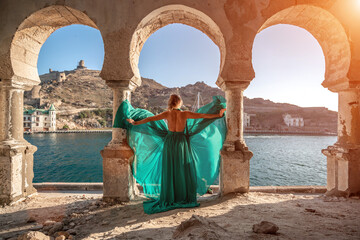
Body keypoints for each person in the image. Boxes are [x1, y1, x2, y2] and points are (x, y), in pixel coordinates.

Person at [113, 94, 227, 214]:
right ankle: (182, 196)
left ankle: (170, 196)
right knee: (182, 169)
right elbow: (203, 116)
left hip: (170, 142)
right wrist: (218, 115)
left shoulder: (167, 114)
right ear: (179, 103)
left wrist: (135, 123)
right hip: (181, 142)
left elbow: (150, 119)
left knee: (170, 168)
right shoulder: (185, 114)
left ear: (170, 103)